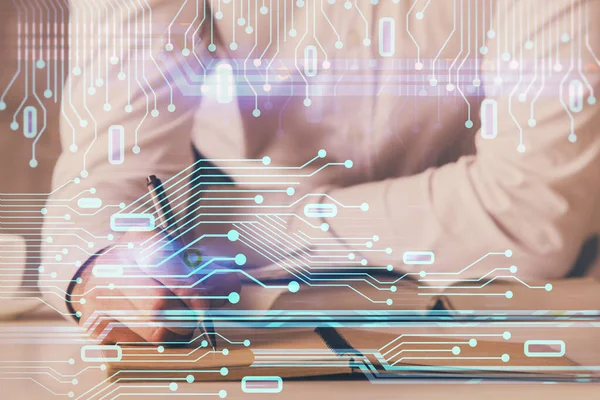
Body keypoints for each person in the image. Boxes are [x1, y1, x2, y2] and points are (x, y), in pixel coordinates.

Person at [41, 0, 600, 343]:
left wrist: (238, 231)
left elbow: (529, 213)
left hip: (513, 302)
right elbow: (109, 172)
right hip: (241, 304)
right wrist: (102, 264)